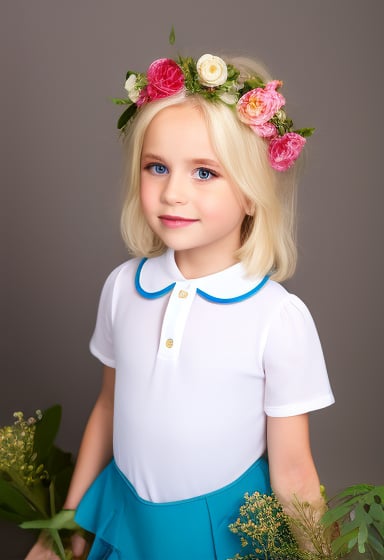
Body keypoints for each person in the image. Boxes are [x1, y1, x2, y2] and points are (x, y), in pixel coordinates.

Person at [26, 51, 334, 560]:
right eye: (157, 167)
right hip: (126, 519)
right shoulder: (125, 286)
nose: (172, 193)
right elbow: (108, 406)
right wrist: (66, 528)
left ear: (253, 192)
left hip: (222, 534)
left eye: (205, 173)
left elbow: (295, 471)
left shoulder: (276, 318)